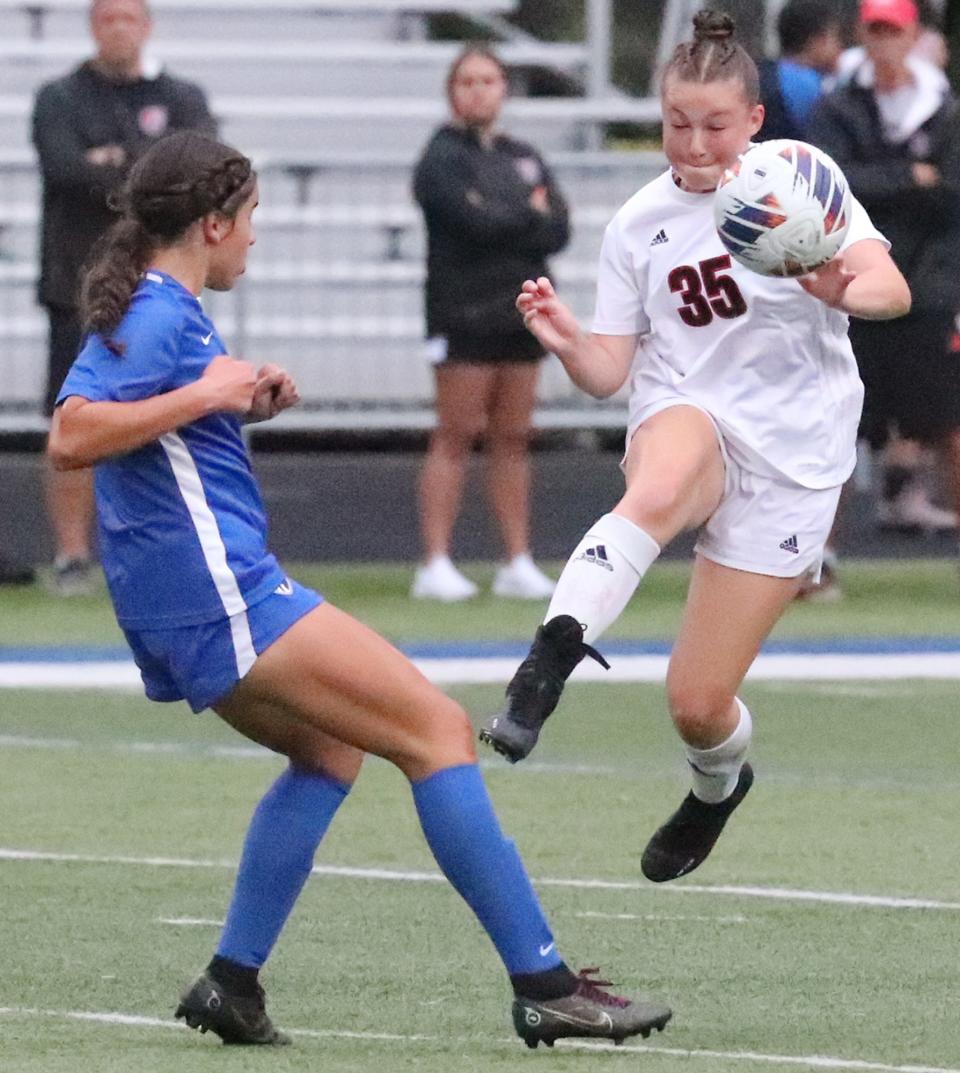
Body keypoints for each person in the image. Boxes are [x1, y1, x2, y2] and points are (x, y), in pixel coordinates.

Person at [46, 130, 672, 1049]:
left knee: (333, 752)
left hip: (185, 596)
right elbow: (71, 434)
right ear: (212, 223)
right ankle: (544, 983)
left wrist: (234, 397)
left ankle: (232, 980)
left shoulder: (165, 309)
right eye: (251, 218)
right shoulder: (160, 312)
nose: (255, 238)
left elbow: (157, 423)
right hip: (218, 590)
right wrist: (204, 397)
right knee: (439, 730)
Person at [480, 10, 909, 884]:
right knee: (660, 477)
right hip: (689, 410)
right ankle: (546, 663)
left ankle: (718, 785)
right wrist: (564, 337)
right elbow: (609, 373)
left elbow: (890, 286)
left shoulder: (800, 177)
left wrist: (842, 287)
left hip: (795, 450)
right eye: (678, 124)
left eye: (715, 124)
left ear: (754, 120)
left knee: (697, 702)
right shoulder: (640, 224)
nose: (695, 143)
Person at [32, 0, 216, 596]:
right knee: (75, 417)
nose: (119, 28)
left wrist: (111, 161)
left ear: (147, 26)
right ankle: (72, 556)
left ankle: (162, 557)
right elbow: (65, 170)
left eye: (129, 18)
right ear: (93, 26)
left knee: (166, 418)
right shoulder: (59, 97)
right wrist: (144, 167)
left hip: (159, 287)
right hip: (78, 285)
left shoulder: (182, 96)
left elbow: (200, 172)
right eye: (107, 18)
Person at [411, 46, 570, 602]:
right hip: (462, 312)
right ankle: (435, 561)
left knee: (514, 437)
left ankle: (517, 558)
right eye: (468, 80)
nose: (480, 90)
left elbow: (558, 228)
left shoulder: (522, 154)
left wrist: (514, 216)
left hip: (519, 313)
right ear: (452, 90)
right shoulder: (439, 159)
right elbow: (471, 223)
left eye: (490, 80)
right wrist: (524, 213)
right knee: (455, 434)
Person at [808, 0, 960, 560]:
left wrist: (890, 186)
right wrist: (909, 178)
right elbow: (829, 182)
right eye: (875, 30)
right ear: (861, 36)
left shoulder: (944, 110)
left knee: (948, 422)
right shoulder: (838, 106)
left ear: (913, 34)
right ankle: (817, 557)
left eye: (894, 30)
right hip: (853, 285)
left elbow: (949, 191)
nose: (885, 41)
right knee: (836, 426)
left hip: (929, 287)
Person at [757, 0, 844, 142]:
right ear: (817, 41)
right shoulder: (812, 87)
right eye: (834, 37)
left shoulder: (764, 73)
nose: (839, 47)